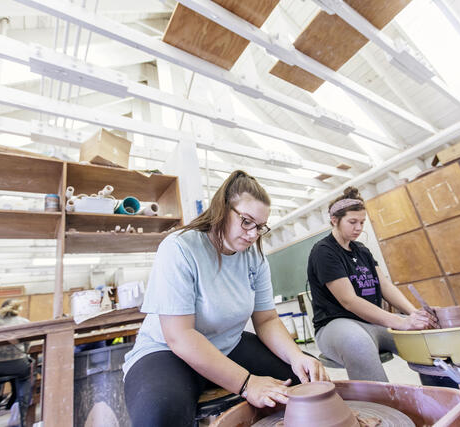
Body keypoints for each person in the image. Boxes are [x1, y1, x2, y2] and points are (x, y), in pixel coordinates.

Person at [122, 170, 329, 427]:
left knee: (303, 379)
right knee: (159, 415)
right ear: (222, 208)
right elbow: (180, 336)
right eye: (246, 221)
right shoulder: (179, 248)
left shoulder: (256, 258)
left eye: (260, 227)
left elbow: (266, 319)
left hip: (228, 344)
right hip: (167, 351)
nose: (253, 234)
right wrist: (247, 383)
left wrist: (297, 356)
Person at [307, 187, 437, 382]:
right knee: (357, 342)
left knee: (422, 334)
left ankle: (442, 398)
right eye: (352, 222)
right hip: (335, 326)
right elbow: (349, 301)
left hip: (372, 323)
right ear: (334, 220)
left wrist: (413, 314)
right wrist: (400, 322)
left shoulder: (361, 249)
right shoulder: (324, 251)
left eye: (362, 222)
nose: (359, 228)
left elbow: (385, 286)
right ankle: (380, 410)